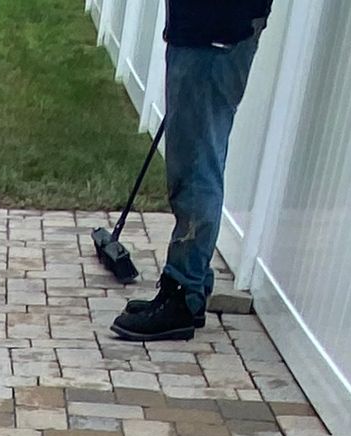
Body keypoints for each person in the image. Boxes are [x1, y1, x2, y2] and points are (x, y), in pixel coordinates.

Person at [113, 2, 276, 344]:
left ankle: (182, 296)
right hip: (209, 30)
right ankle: (192, 286)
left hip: (215, 32)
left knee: (195, 168)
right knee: (195, 161)